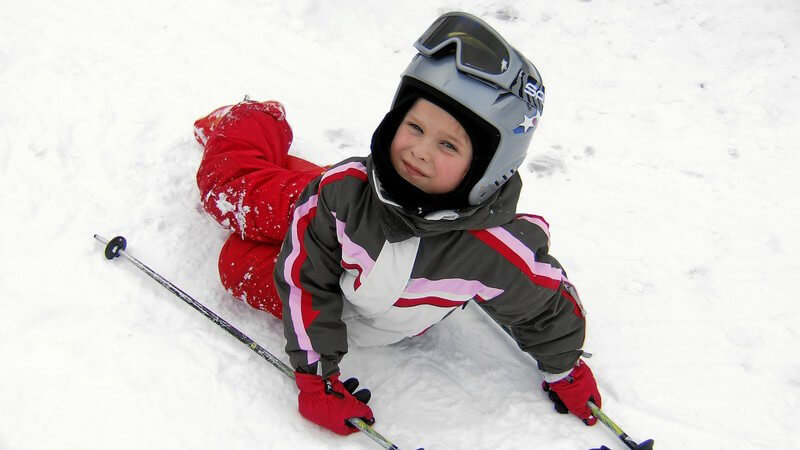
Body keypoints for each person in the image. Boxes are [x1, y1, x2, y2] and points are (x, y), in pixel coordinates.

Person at [194, 11, 601, 437]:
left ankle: (280, 165)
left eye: (447, 144)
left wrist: (565, 369)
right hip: (337, 210)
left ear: (488, 167)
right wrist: (316, 375)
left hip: (352, 285)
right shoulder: (341, 193)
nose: (419, 152)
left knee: (235, 262)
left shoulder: (492, 250)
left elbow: (547, 306)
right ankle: (254, 120)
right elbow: (303, 277)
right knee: (228, 192)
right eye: (414, 127)